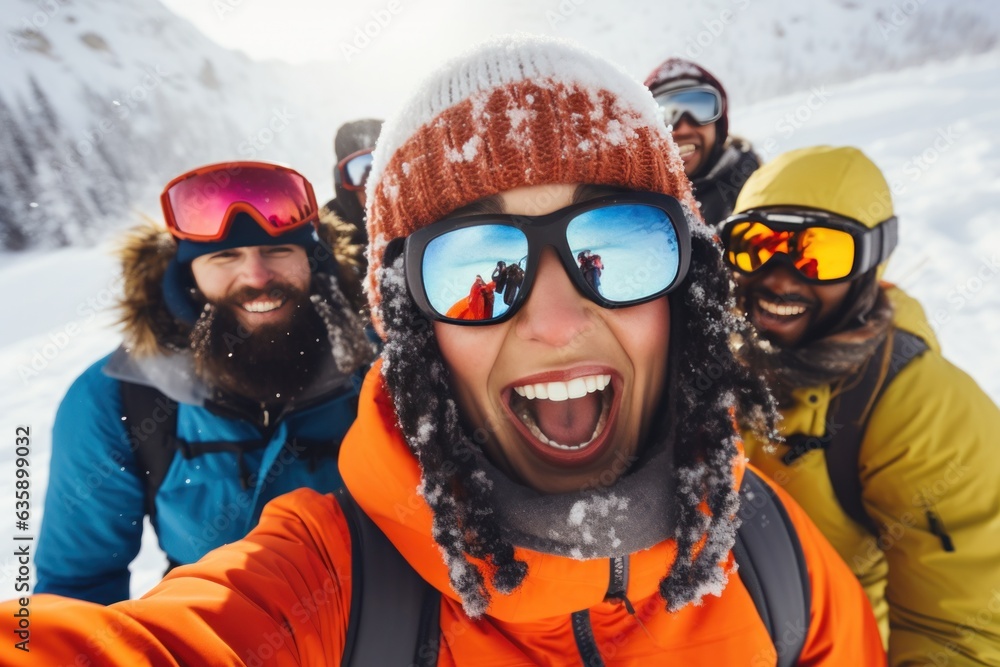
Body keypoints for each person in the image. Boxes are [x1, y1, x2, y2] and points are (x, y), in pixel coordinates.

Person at [7, 37, 885, 665]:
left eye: (617, 245)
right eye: (477, 266)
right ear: (412, 327)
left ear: (685, 287)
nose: (552, 318)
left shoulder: (779, 563)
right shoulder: (327, 581)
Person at [33, 161, 375, 605]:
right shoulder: (121, 396)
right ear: (187, 277)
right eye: (225, 256)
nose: (255, 276)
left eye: (278, 251)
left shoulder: (380, 365)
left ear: (312, 262)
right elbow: (76, 590)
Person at [721, 145, 1000, 666]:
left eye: (821, 254)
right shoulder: (700, 353)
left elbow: (962, 631)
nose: (780, 277)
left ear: (873, 262)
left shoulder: (920, 406)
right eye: (756, 245)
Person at [644, 57, 760, 224]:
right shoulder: (632, 208)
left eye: (700, 107)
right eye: (663, 116)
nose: (683, 129)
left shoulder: (760, 193)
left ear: (718, 126)